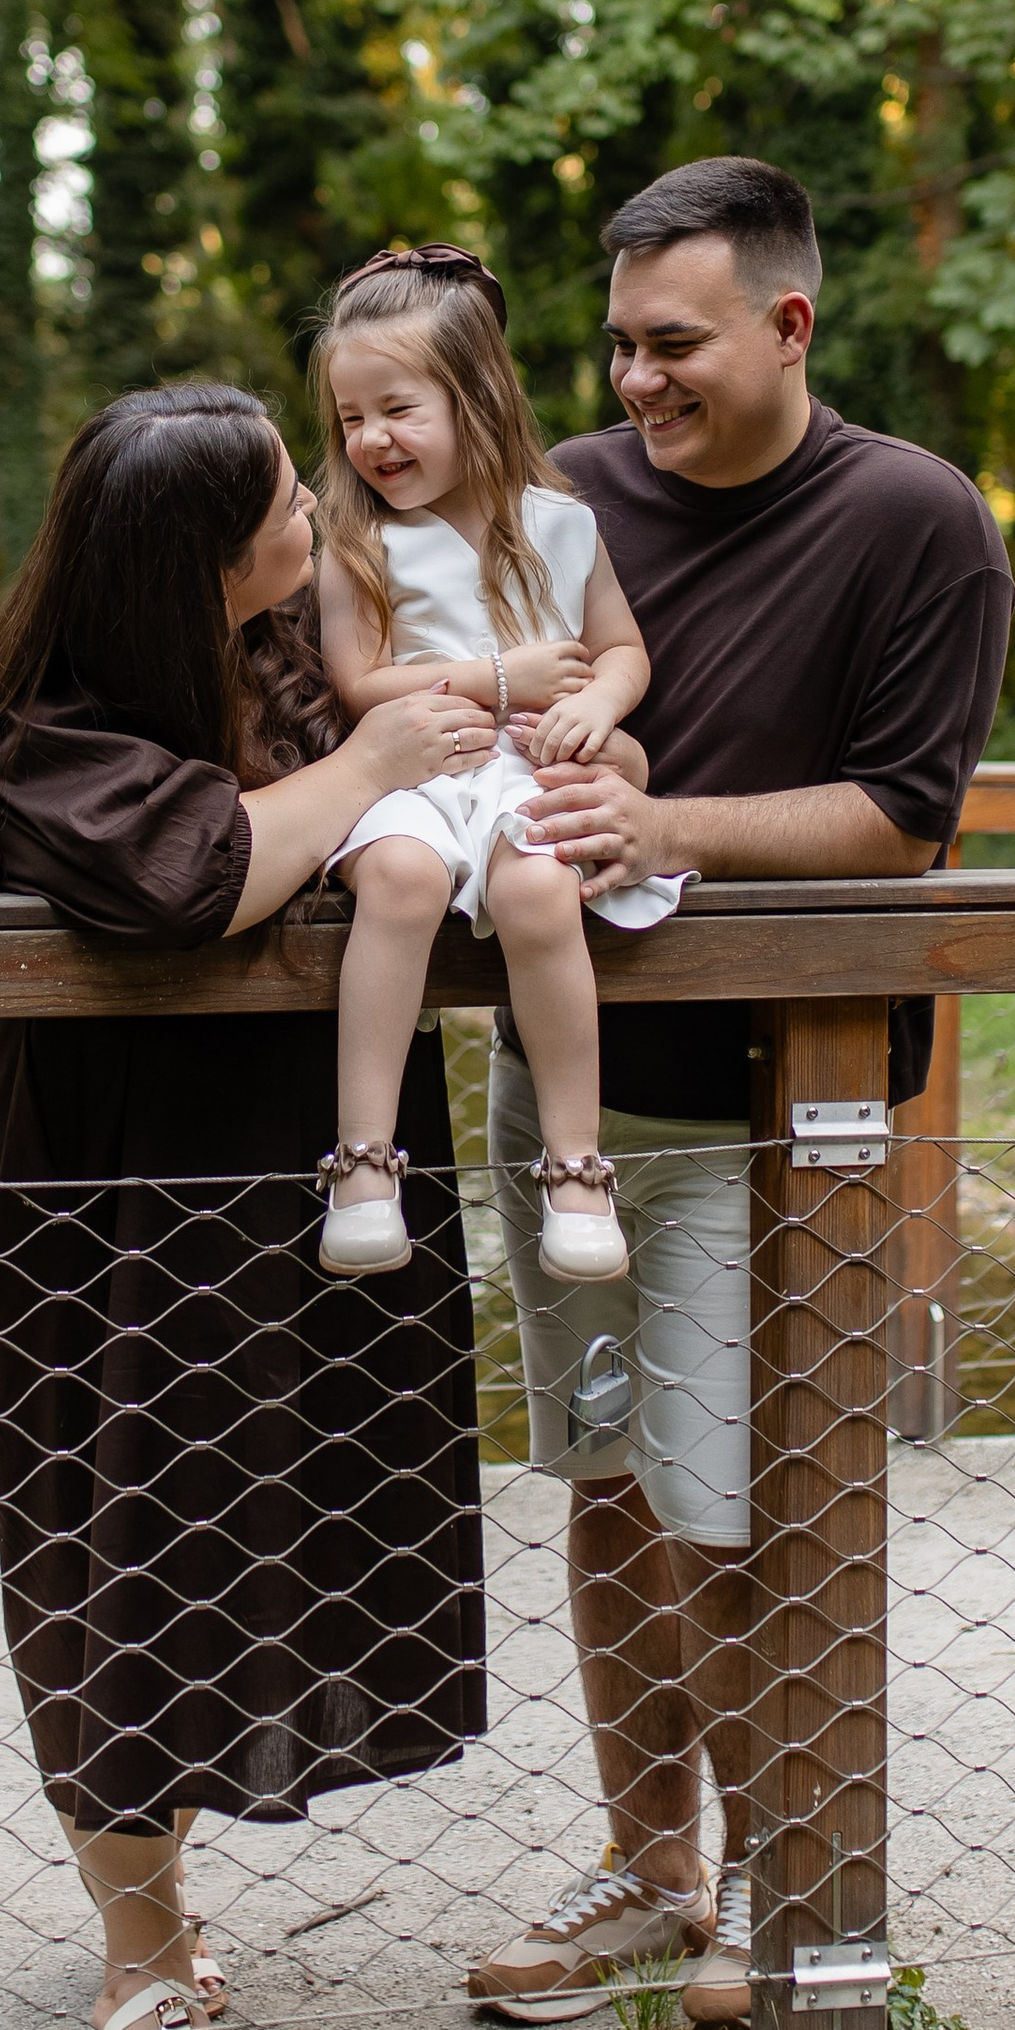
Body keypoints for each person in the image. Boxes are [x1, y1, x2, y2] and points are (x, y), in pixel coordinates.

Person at [464, 159, 1014, 2028]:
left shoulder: (915, 519)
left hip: (789, 1112)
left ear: (789, 324)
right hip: (565, 1104)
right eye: (620, 344)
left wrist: (666, 824)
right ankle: (651, 1872)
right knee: (612, 1485)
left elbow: (903, 815)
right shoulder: (562, 497)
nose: (637, 380)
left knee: (743, 1509)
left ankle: (792, 1894)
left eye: (675, 343)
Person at [0, 382, 499, 2030]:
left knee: (265, 1524)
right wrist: (373, 769)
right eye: (282, 506)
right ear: (193, 560)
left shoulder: (290, 658)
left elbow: (443, 767)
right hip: (109, 1217)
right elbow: (197, 877)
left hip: (288, 1184)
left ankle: (164, 1908)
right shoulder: (46, 730)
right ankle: (143, 1950)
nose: (316, 510)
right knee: (122, 1540)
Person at [308, 243, 687, 1287]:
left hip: (521, 775)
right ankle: (364, 1163)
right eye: (350, 417)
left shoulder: (560, 524)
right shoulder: (358, 541)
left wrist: (598, 703)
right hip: (416, 774)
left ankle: (575, 1166)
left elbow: (622, 648)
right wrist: (499, 677)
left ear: (475, 397)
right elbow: (358, 682)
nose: (372, 438)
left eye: (398, 408)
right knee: (398, 878)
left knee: (537, 887)